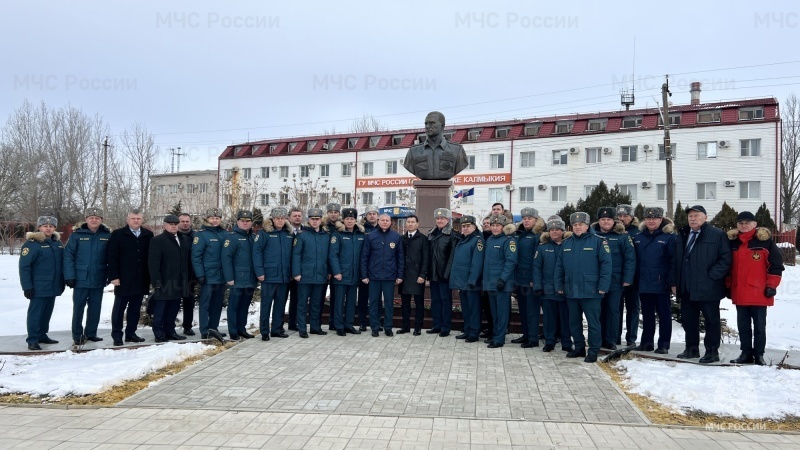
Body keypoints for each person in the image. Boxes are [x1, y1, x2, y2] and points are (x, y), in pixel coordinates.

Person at [671, 205, 732, 363]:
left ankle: (712, 352)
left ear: (705, 217)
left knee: (712, 321)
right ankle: (691, 349)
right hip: (687, 287)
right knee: (689, 320)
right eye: (690, 216)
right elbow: (677, 260)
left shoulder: (717, 234)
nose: (692, 218)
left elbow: (726, 258)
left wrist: (712, 276)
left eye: (696, 215)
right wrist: (675, 281)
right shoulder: (683, 234)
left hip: (709, 287)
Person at [726, 211, 784, 365]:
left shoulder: (765, 242)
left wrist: (772, 285)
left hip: (759, 292)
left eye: (747, 222)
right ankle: (745, 353)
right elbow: (727, 267)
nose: (744, 225)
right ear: (737, 225)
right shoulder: (732, 243)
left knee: (759, 327)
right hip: (739, 291)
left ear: (755, 224)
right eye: (740, 223)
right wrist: (727, 286)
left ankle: (759, 355)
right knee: (743, 326)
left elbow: (776, 266)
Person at [555, 212, 612, 363]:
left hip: (591, 290)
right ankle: (579, 347)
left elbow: (606, 266)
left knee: (593, 323)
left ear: (587, 226)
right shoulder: (566, 243)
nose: (578, 227)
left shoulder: (599, 242)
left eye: (581, 224)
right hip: (571, 290)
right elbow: (559, 266)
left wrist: (603, 286)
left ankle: (593, 350)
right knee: (574, 322)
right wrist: (559, 285)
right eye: (575, 225)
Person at [63, 207, 111, 346]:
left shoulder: (107, 235)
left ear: (101, 220)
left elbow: (112, 257)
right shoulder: (77, 235)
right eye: (91, 218)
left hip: (99, 277)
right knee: (79, 308)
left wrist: (109, 275)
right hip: (80, 279)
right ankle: (77, 335)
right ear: (86, 220)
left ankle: (91, 333)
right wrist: (69, 276)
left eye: (97, 218)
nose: (94, 220)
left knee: (95, 307)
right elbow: (68, 256)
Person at [633, 207, 676, 354]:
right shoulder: (638, 237)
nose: (651, 221)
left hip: (661, 283)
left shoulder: (670, 237)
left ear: (661, 220)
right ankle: (647, 342)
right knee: (647, 314)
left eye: (655, 218)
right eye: (648, 218)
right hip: (643, 282)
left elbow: (673, 262)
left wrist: (671, 282)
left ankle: (663, 344)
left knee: (664, 315)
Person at [107, 209, 153, 346]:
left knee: (135, 308)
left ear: (142, 220)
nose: (136, 221)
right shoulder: (118, 234)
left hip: (141, 278)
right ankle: (117, 335)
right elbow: (112, 257)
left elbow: (151, 257)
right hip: (123, 279)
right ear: (128, 220)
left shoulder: (148, 235)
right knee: (119, 308)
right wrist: (114, 276)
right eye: (133, 218)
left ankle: (131, 334)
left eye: (138, 218)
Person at [592, 207, 636, 350]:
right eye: (603, 219)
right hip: (596, 281)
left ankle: (610, 340)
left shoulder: (622, 236)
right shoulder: (592, 235)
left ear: (614, 221)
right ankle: (597, 339)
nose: (606, 222)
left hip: (615, 280)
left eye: (609, 219)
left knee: (613, 310)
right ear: (598, 221)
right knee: (597, 311)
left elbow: (630, 258)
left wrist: (627, 278)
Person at [19, 215, 65, 350]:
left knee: (47, 312)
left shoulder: (57, 243)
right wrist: (27, 286)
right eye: (45, 226)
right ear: (39, 227)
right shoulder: (32, 244)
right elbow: (24, 267)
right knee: (35, 313)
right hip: (38, 286)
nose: (48, 228)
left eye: (51, 226)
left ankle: (42, 335)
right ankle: (32, 339)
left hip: (53, 285)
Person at [148, 215, 191, 343]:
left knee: (173, 308)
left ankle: (170, 331)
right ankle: (159, 333)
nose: (173, 226)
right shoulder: (157, 240)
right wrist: (156, 280)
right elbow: (153, 263)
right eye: (170, 224)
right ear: (164, 225)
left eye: (175, 224)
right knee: (160, 309)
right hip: (164, 281)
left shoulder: (184, 239)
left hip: (179, 281)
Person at [253, 207, 294, 341]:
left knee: (280, 304)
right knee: (266, 304)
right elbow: (257, 252)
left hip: (284, 275)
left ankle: (276, 329)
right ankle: (264, 331)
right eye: (277, 218)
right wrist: (259, 272)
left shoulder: (289, 233)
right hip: (269, 275)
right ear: (272, 219)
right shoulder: (264, 233)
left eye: (282, 218)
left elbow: (293, 254)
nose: (280, 221)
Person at [533, 217, 573, 352]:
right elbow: (537, 268)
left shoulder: (569, 245)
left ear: (563, 231)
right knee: (549, 318)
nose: (554, 232)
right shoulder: (542, 247)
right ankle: (549, 341)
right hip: (548, 289)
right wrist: (538, 286)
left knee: (565, 318)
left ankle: (566, 342)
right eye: (552, 230)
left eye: (557, 230)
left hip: (566, 289)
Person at [361, 213, 404, 337]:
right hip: (374, 276)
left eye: (387, 220)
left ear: (391, 222)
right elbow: (365, 257)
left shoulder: (396, 237)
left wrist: (400, 275)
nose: (385, 222)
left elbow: (400, 258)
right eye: (382, 220)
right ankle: (375, 327)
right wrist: (364, 275)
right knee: (374, 302)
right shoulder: (371, 236)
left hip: (389, 277)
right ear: (379, 221)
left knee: (389, 303)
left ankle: (388, 327)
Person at [292, 208, 331, 338]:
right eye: (312, 219)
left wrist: (329, 271)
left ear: (321, 220)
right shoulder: (302, 235)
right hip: (305, 275)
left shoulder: (326, 236)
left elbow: (329, 256)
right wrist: (296, 273)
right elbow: (296, 255)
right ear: (309, 220)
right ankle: (302, 328)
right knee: (302, 304)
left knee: (316, 303)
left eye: (317, 219)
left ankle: (315, 327)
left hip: (320, 275)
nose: (315, 221)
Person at [445, 215, 484, 342]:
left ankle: (474, 332)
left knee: (473, 309)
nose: (465, 228)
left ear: (474, 227)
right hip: (462, 281)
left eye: (468, 226)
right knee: (466, 308)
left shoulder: (477, 241)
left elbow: (477, 263)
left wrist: (472, 280)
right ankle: (467, 330)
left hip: (471, 282)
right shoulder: (463, 239)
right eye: (463, 226)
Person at [191, 208, 227, 340]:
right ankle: (204, 330)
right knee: (205, 304)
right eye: (212, 218)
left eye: (217, 218)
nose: (215, 220)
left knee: (217, 304)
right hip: (207, 276)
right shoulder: (201, 234)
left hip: (221, 275)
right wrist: (200, 274)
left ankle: (213, 328)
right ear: (207, 219)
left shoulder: (224, 233)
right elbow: (196, 256)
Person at [328, 208, 366, 336]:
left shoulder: (360, 234)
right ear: (343, 220)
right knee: (339, 302)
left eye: (352, 219)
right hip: (341, 274)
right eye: (347, 219)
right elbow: (333, 255)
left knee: (351, 301)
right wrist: (336, 272)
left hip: (355, 274)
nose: (350, 221)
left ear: (356, 220)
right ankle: (339, 326)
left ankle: (349, 325)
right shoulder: (337, 234)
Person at [482, 215, 517, 348]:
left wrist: (502, 279)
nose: (495, 228)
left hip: (502, 283)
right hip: (490, 282)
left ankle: (500, 338)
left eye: (498, 226)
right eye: (493, 225)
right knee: (494, 312)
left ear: (503, 227)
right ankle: (495, 334)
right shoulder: (490, 239)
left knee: (502, 312)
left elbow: (511, 261)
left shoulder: (509, 241)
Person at [221, 210, 258, 340]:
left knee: (244, 306)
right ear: (237, 222)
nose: (245, 223)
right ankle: (233, 331)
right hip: (237, 279)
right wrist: (229, 278)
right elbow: (226, 259)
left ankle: (242, 329)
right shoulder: (232, 237)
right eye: (242, 221)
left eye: (248, 221)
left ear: (251, 222)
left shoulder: (253, 238)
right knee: (234, 306)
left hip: (250, 279)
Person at [403, 111, 469, 180]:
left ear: (442, 126)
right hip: (423, 188)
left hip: (444, 188)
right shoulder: (413, 152)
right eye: (426, 124)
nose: (428, 126)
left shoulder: (457, 150)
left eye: (432, 123)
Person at [513, 207, 545, 348]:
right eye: (524, 218)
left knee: (532, 310)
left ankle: (533, 338)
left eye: (529, 218)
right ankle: (526, 335)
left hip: (531, 279)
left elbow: (538, 261)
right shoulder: (520, 234)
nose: (526, 220)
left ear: (536, 220)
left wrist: (535, 279)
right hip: (520, 278)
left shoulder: (538, 235)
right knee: (523, 309)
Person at [427, 208, 458, 336]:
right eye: (438, 218)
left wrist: (447, 273)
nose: (440, 220)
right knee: (435, 300)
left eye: (443, 218)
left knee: (446, 301)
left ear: (448, 220)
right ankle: (437, 325)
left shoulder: (452, 234)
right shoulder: (431, 233)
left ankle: (446, 327)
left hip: (444, 274)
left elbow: (452, 256)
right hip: (433, 273)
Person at [398, 215, 430, 335]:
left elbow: (426, 259)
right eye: (408, 222)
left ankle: (418, 327)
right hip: (404, 277)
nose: (410, 224)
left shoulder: (423, 239)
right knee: (405, 304)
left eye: (413, 222)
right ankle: (405, 326)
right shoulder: (402, 238)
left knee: (419, 304)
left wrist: (422, 275)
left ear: (417, 224)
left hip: (417, 277)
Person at [616, 204, 641, 346]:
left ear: (631, 218)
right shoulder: (615, 232)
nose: (622, 219)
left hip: (634, 277)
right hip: (617, 277)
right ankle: (615, 336)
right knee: (616, 309)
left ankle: (631, 338)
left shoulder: (637, 233)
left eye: (625, 216)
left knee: (633, 308)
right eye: (619, 216)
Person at [356, 205, 380, 331]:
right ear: (366, 216)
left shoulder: (383, 228)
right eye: (369, 213)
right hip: (364, 267)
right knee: (363, 297)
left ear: (378, 215)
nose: (372, 215)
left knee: (376, 298)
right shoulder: (361, 229)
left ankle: (375, 321)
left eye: (374, 213)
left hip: (378, 269)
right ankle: (362, 321)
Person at [322, 203, 342, 329]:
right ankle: (317, 323)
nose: (333, 214)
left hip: (337, 267)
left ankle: (334, 322)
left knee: (336, 297)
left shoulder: (341, 227)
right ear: (327, 213)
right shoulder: (322, 226)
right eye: (331, 212)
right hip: (323, 266)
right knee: (320, 297)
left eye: (335, 212)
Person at [177, 213, 197, 336]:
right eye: (182, 221)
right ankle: (168, 327)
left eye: (187, 221)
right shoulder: (174, 236)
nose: (185, 223)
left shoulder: (195, 236)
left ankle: (187, 327)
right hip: (175, 275)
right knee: (173, 302)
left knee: (189, 302)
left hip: (190, 275)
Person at [285, 207, 304, 331]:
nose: (297, 217)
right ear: (289, 218)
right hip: (285, 271)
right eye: (294, 215)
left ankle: (293, 323)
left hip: (299, 272)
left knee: (296, 299)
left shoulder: (305, 231)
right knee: (282, 299)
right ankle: (278, 324)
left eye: (299, 215)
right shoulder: (284, 231)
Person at [479, 216, 493, 339]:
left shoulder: (494, 238)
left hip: (492, 278)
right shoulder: (480, 237)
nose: (486, 225)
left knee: (492, 305)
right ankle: (488, 328)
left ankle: (494, 329)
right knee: (485, 305)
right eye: (484, 223)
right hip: (481, 277)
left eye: (488, 223)